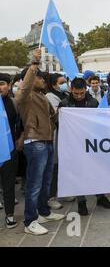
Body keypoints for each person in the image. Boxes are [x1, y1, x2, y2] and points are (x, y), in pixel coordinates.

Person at [16, 49, 65, 236]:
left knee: (45, 181)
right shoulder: (25, 95)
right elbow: (25, 86)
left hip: (46, 141)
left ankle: (43, 212)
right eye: (39, 77)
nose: (43, 79)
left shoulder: (41, 95)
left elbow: (52, 117)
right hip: (34, 142)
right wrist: (34, 65)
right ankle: (30, 221)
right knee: (35, 183)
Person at [58, 78, 110, 215]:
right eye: (76, 93)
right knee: (78, 172)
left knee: (96, 170)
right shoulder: (64, 104)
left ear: (85, 89)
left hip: (91, 143)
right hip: (73, 144)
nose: (78, 96)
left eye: (81, 93)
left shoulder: (93, 102)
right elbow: (60, 125)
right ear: (71, 90)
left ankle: (100, 196)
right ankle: (81, 201)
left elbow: (100, 122)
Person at [0, 73, 22, 228]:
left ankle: (9, 214)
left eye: (2, 83)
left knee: (9, 185)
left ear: (9, 85)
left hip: (9, 149)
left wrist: (20, 139)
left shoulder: (13, 103)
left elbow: (19, 124)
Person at [44, 73, 68, 211]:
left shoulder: (64, 95)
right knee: (54, 166)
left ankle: (62, 191)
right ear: (53, 85)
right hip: (55, 135)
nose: (64, 84)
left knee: (62, 165)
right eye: (61, 82)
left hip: (64, 136)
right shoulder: (50, 97)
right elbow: (55, 117)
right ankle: (51, 196)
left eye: (65, 82)